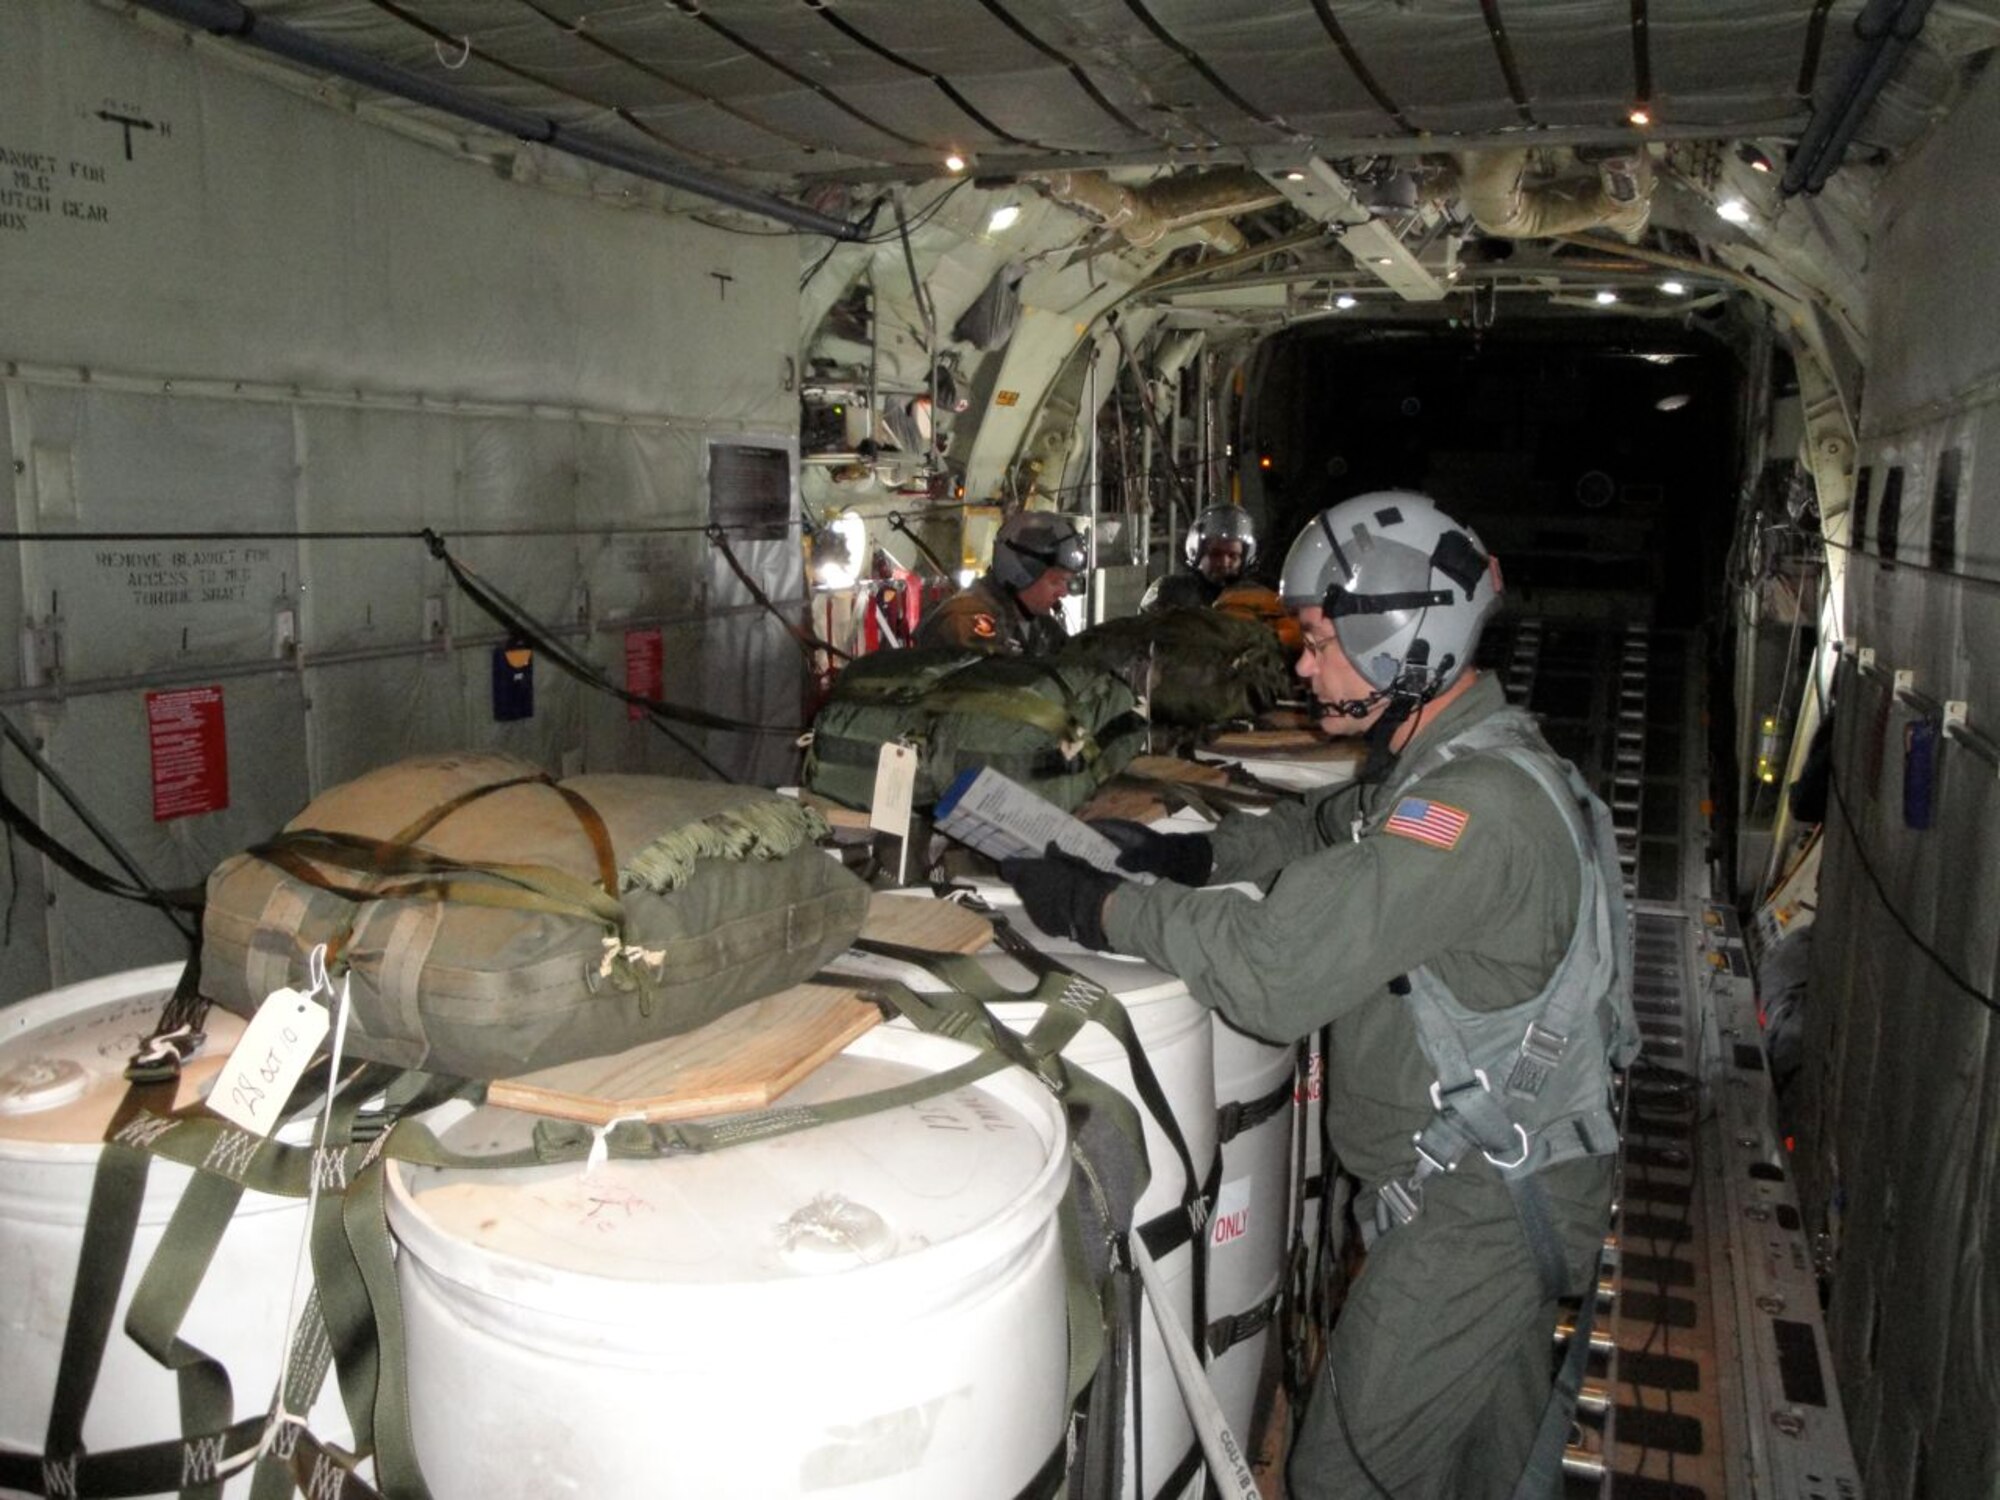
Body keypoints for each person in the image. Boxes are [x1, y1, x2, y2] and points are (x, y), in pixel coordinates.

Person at [1001, 491, 1637, 1500]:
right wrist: (1187, 851)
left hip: (1473, 1208)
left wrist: (1102, 909)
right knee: (1485, 1456)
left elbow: (1273, 970)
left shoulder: (1470, 809)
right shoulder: (1449, 765)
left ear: (1399, 646)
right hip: (1498, 1180)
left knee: (1343, 1472)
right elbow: (1322, 830)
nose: (1300, 665)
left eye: (1315, 641)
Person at [914, 509, 1085, 655]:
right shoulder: (964, 622)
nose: (1064, 592)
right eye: (1056, 581)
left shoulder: (1040, 624)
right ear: (1020, 573)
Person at [1141, 503, 1257, 612]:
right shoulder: (1169, 592)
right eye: (1215, 554)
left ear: (1243, 559)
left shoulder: (1257, 600)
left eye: (1233, 556)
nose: (1224, 562)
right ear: (1198, 554)